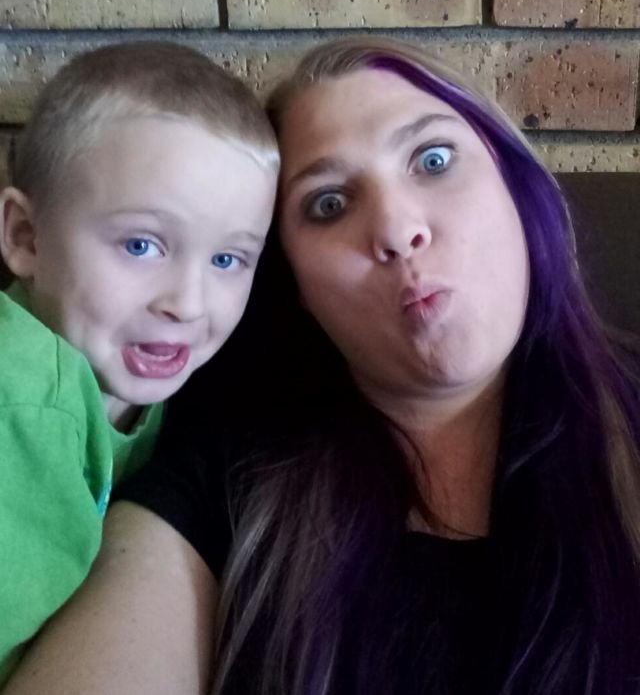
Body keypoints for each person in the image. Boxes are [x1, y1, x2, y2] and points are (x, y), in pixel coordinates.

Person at [5, 36, 640, 695]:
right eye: (329, 204)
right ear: (296, 285)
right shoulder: (219, 475)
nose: (395, 230)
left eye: (432, 159)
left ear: (515, 183)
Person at [0, 41, 278, 685]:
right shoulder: (21, 404)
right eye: (142, 245)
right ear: (25, 237)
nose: (187, 303)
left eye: (228, 259)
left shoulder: (135, 387)